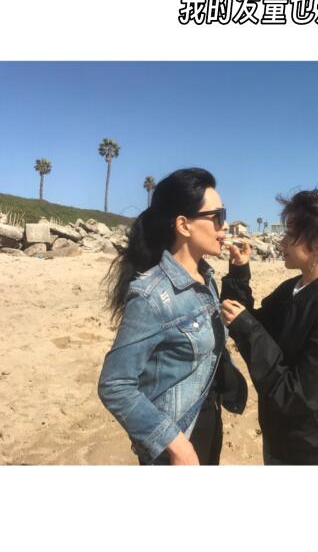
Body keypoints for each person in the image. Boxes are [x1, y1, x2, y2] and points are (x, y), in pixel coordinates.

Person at [98, 168, 247, 465]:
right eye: (217, 217)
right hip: (176, 444)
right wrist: (176, 445)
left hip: (207, 421)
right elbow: (115, 384)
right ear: (183, 225)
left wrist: (240, 272)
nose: (225, 227)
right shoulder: (151, 296)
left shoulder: (205, 279)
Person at [220, 187, 318, 465]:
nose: (282, 242)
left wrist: (248, 329)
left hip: (312, 454)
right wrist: (239, 273)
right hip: (280, 440)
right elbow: (251, 323)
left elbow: (294, 397)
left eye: (291, 234)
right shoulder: (293, 289)